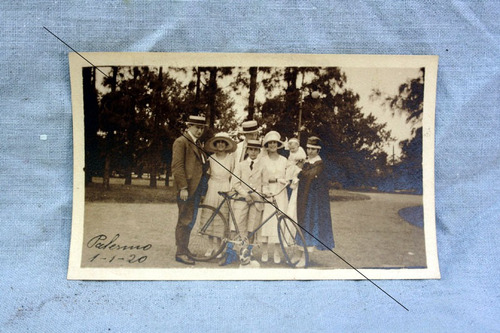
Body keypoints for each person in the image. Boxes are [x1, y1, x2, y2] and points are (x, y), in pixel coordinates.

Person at [171, 115, 208, 265]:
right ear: (189, 126)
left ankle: (185, 249)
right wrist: (183, 188)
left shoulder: (197, 143)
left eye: (202, 128)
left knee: (190, 220)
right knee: (184, 219)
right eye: (196, 127)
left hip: (196, 188)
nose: (199, 130)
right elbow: (177, 166)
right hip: (187, 188)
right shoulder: (181, 142)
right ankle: (180, 252)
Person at [295, 136, 335, 267]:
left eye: (313, 149)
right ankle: (300, 254)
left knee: (309, 225)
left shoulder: (319, 165)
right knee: (302, 224)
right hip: (304, 199)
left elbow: (309, 176)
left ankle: (305, 257)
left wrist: (300, 172)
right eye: (308, 148)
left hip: (313, 203)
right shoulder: (307, 163)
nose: (310, 151)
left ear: (318, 151)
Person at [200, 132, 237, 256]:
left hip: (225, 187)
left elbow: (233, 176)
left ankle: (220, 247)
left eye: (223, 142)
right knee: (211, 216)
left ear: (226, 145)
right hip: (212, 188)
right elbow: (207, 176)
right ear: (215, 144)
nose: (221, 144)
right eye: (218, 142)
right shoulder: (211, 158)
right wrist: (204, 192)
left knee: (223, 217)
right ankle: (211, 247)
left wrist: (231, 190)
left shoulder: (231, 159)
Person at [258, 131, 289, 264]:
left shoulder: (284, 160)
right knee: (266, 221)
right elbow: (259, 178)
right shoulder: (263, 160)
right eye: (270, 143)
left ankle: (277, 252)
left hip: (281, 193)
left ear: (278, 144)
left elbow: (289, 176)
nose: (272, 145)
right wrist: (264, 191)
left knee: (279, 220)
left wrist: (284, 180)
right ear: (266, 145)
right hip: (267, 192)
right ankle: (265, 251)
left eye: (274, 143)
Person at [231, 139, 264, 243]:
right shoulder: (240, 165)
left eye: (256, 150)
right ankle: (236, 250)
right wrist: (246, 195)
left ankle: (248, 252)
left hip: (256, 201)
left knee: (252, 227)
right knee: (238, 224)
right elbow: (235, 183)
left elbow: (265, 184)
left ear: (259, 151)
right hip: (242, 198)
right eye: (251, 149)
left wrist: (258, 193)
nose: (253, 152)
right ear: (247, 151)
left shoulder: (263, 166)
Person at [285, 138, 306, 223]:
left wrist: (297, 160)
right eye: (291, 149)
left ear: (298, 146)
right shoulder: (291, 152)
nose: (292, 150)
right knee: (289, 172)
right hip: (291, 165)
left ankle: (294, 181)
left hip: (297, 165)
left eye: (293, 148)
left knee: (296, 172)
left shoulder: (300, 150)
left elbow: (302, 158)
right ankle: (289, 180)